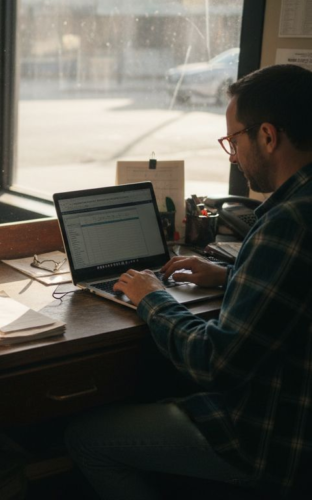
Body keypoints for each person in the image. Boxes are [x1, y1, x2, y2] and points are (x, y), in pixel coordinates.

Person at [64, 64, 312, 499]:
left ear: (268, 137)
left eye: (234, 141)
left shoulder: (287, 222)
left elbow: (214, 363)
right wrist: (231, 274)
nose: (233, 155)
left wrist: (152, 297)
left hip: (269, 443)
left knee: (87, 438)